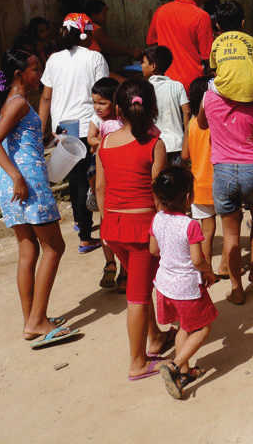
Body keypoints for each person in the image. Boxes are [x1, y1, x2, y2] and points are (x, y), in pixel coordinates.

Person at [0, 49, 76, 347]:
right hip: (26, 183)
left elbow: (20, 140)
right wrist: (18, 177)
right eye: (35, 68)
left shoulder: (13, 104)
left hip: (13, 185)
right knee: (54, 247)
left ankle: (32, 321)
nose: (39, 74)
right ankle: (38, 320)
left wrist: (50, 139)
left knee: (29, 251)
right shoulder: (19, 104)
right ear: (19, 74)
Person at [95, 79, 173, 380]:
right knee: (138, 296)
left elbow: (101, 188)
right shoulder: (155, 145)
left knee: (142, 286)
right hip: (142, 229)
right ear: (152, 108)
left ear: (117, 110)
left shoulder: (105, 143)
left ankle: (154, 338)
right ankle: (137, 363)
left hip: (114, 228)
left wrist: (107, 222)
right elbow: (159, 195)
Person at [201, 68, 253, 304]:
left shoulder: (209, 98)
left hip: (223, 170)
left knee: (230, 234)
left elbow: (201, 123)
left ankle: (237, 288)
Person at [39, 13, 110, 253]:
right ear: (85, 34)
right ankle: (87, 235)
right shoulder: (95, 58)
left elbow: (46, 97)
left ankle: (83, 226)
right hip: (87, 126)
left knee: (76, 181)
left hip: (62, 130)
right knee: (92, 180)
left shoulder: (53, 60)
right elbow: (104, 94)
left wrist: (43, 131)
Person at [149, 166, 217, 399]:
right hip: (186, 288)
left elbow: (153, 249)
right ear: (188, 197)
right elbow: (198, 260)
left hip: (165, 285)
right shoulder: (190, 225)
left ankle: (185, 373)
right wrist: (209, 272)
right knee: (203, 327)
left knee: (182, 327)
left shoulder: (157, 219)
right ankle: (175, 365)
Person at [146, 0, 215, 88]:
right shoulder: (201, 16)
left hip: (164, 82)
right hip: (192, 84)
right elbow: (207, 56)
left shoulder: (161, 11)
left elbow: (151, 43)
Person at [87, 76, 123, 290]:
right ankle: (110, 263)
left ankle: (124, 268)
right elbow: (91, 137)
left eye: (102, 103)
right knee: (105, 220)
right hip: (103, 175)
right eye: (94, 102)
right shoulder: (99, 121)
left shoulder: (122, 120)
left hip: (118, 175)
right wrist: (104, 143)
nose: (97, 107)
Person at [181, 77, 216, 264]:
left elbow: (185, 155)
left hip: (198, 184)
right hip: (219, 181)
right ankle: (226, 264)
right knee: (229, 225)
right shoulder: (216, 123)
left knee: (207, 230)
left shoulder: (191, 124)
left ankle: (207, 264)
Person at [209, 0, 253, 105]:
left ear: (217, 25)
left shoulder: (216, 43)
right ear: (243, 22)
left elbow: (214, 70)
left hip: (225, 91)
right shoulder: (251, 40)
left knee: (209, 84)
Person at [140, 45, 190, 163]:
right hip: (177, 144)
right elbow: (187, 111)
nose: (141, 66)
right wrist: (187, 141)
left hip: (154, 146)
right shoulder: (177, 86)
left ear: (153, 66)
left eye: (143, 62)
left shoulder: (143, 89)